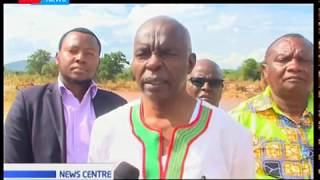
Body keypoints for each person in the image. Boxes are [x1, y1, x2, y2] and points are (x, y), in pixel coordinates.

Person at [88, 16, 254, 179]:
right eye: (142, 54)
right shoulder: (106, 129)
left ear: (190, 63)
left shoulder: (232, 135)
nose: (153, 63)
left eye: (167, 53)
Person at [4, 27, 127, 163]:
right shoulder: (28, 102)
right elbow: (12, 164)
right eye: (72, 51)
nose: (80, 58)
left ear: (98, 62)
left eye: (89, 53)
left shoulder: (118, 107)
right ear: (57, 58)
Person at [229, 34, 314, 179]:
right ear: (265, 71)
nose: (294, 66)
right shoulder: (236, 121)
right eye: (283, 60)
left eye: (303, 60)